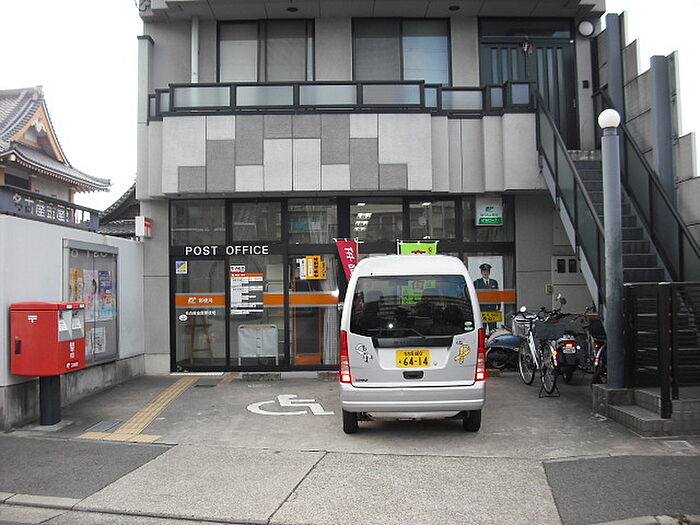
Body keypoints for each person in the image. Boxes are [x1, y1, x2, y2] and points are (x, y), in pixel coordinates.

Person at [473, 263, 500, 333]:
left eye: (487, 271)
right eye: (484, 271)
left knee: (493, 329)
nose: (485, 273)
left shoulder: (494, 282)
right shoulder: (477, 283)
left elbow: (497, 295)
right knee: (482, 329)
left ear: (489, 272)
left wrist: (498, 307)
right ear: (481, 272)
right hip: (482, 310)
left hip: (492, 309)